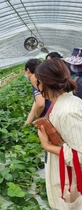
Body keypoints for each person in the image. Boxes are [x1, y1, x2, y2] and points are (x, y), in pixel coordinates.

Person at [35, 58, 82, 209]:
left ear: (43, 83)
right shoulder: (67, 102)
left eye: (38, 82)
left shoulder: (68, 112)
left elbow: (80, 157)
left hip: (73, 184)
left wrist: (48, 146)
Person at [24, 59, 52, 124]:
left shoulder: (37, 82)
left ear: (28, 70)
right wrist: (26, 125)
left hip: (49, 118)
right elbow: (35, 105)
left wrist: (37, 116)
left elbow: (40, 104)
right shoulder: (43, 78)